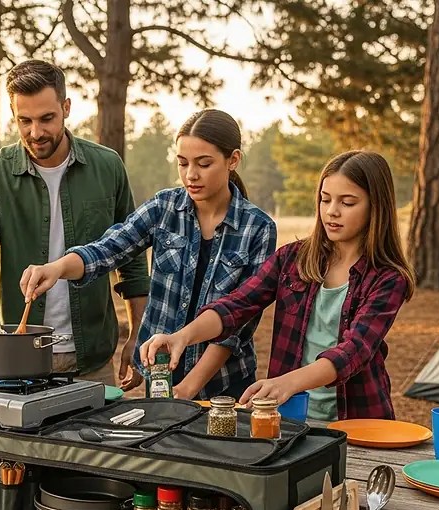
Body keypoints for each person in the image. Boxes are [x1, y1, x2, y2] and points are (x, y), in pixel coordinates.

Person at [141, 150, 416, 510]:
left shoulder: (388, 279)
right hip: (288, 424)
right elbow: (236, 305)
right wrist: (183, 336)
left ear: (376, 207)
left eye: (347, 201)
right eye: (325, 198)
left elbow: (355, 351)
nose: (331, 211)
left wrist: (288, 380)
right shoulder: (294, 260)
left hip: (356, 422)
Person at [20, 109, 277, 400]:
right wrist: (56, 268)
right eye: (182, 163)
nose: (190, 175)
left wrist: (189, 388)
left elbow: (238, 323)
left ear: (233, 160)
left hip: (224, 386)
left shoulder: (258, 228)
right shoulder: (164, 207)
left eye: (204, 164)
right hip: (161, 376)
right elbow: (108, 248)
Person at [0, 59, 150, 389]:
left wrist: (137, 334)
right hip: (13, 361)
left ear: (66, 107)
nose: (36, 132)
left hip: (92, 359)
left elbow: (131, 261)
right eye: (24, 121)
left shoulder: (108, 166)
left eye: (46, 119)